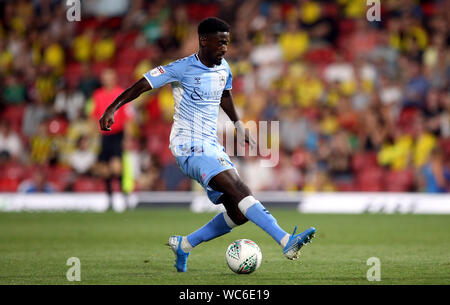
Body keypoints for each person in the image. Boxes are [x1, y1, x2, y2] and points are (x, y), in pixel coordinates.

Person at [99, 17, 316, 272]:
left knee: (238, 212)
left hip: (210, 145)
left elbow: (224, 94)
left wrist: (238, 126)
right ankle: (286, 241)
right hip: (187, 146)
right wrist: (112, 107)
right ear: (204, 41)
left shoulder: (224, 68)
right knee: (239, 189)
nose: (225, 48)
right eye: (220, 42)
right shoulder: (181, 68)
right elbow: (142, 85)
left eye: (227, 42)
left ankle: (185, 244)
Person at [92, 69, 133, 208]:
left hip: (117, 134)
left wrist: (127, 138)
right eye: (105, 77)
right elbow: (94, 116)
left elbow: (127, 118)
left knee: (116, 167)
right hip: (104, 135)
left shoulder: (121, 94)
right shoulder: (98, 95)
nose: (107, 79)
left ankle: (124, 195)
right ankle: (110, 198)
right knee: (104, 169)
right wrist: (93, 136)